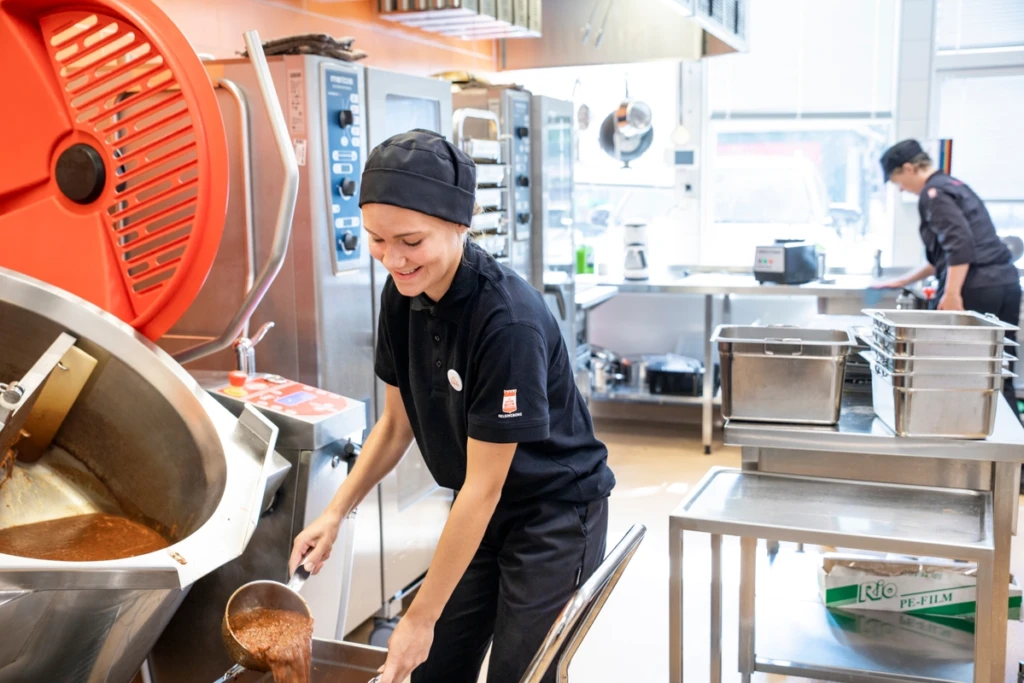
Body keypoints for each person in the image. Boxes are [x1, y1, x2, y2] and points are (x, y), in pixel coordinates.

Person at [288, 129, 616, 683]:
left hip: (553, 515)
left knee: (520, 673)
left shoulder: (507, 322)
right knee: (437, 670)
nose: (392, 258)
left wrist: (419, 618)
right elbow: (394, 426)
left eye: (411, 241)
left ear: (459, 224)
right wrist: (333, 512)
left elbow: (487, 486)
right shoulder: (402, 295)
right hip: (476, 508)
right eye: (376, 240)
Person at [875, 138, 1021, 418]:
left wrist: (952, 293)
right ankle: (1013, 457)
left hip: (975, 289)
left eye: (898, 181)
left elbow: (959, 246)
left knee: (961, 377)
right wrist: (901, 281)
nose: (902, 188)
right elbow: (943, 257)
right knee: (998, 375)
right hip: (1004, 284)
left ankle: (968, 444)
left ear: (908, 168)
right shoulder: (953, 186)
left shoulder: (934, 194)